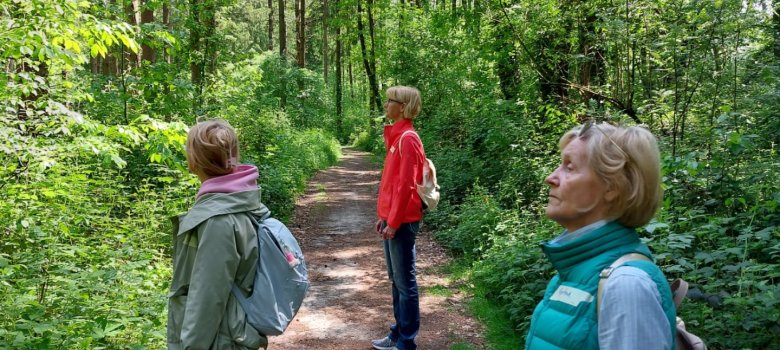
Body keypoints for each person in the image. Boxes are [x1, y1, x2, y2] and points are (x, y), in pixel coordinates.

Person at [525, 122, 677, 350]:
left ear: (612, 187)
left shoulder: (626, 284)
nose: (551, 177)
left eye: (570, 167)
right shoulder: (574, 270)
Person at [167, 120, 268, 350]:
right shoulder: (242, 201)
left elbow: (208, 298)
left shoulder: (218, 220)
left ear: (193, 162)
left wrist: (189, 347)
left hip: (221, 339)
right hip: (235, 332)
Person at [372, 86, 426, 350]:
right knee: (397, 279)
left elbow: (406, 186)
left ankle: (407, 341)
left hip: (403, 220)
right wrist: (384, 217)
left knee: (405, 282)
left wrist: (393, 221)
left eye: (390, 100)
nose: (386, 104)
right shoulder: (397, 136)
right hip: (394, 218)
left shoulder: (407, 138)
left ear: (402, 106)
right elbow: (392, 185)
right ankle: (398, 332)